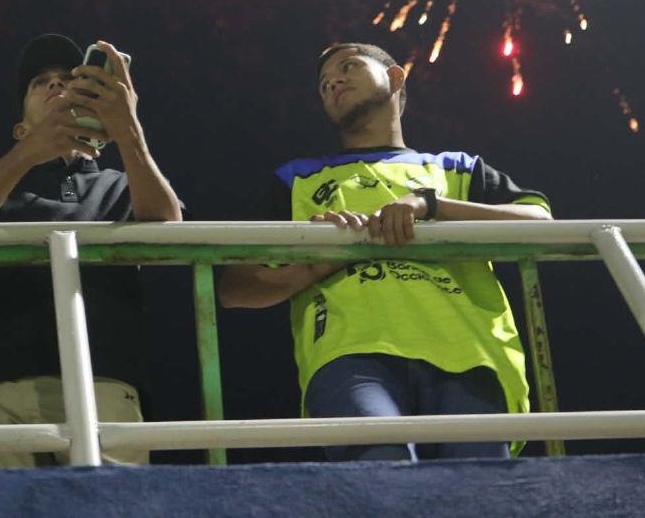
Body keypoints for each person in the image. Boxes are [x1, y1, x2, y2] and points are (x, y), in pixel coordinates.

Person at [218, 42, 551, 462]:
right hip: (350, 356)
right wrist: (319, 262)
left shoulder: (458, 170)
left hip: (470, 356)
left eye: (348, 67)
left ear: (395, 77)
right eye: (323, 84)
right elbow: (234, 288)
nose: (332, 82)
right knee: (381, 476)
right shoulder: (295, 180)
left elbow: (541, 225)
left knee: (475, 493)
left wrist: (430, 205)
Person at [0, 34, 183, 469]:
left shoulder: (121, 184)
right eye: (39, 82)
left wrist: (128, 129)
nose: (55, 86)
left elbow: (170, 230)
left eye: (69, 78)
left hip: (103, 376)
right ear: (20, 127)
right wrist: (28, 152)